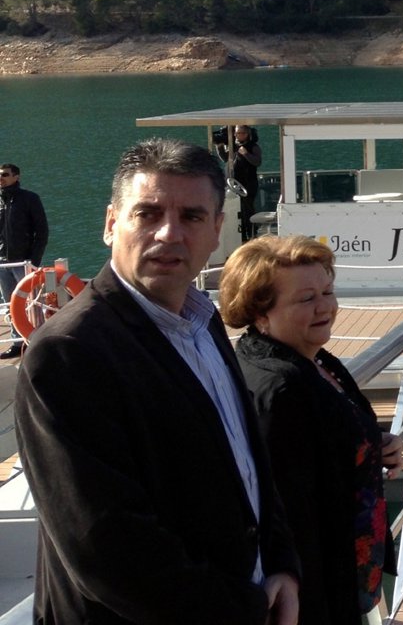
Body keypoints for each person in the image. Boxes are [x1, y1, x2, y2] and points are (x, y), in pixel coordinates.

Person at [14, 138, 300, 625]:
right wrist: (246, 610)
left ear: (216, 231)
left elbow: (246, 465)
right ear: (110, 224)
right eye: (147, 213)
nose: (169, 234)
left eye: (191, 217)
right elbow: (107, 547)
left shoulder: (205, 322)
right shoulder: (68, 354)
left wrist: (282, 566)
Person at [223, 235, 402, 625]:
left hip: (348, 568)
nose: (325, 307)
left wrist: (374, 445)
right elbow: (287, 515)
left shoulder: (315, 357)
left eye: (328, 291)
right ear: (260, 312)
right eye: (306, 299)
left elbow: (329, 439)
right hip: (320, 588)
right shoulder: (279, 390)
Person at [0, 162, 50, 356]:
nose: (1, 178)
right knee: (10, 302)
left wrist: (34, 260)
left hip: (24, 261)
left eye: (5, 174)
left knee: (32, 302)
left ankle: (37, 341)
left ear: (16, 177)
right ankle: (17, 343)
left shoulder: (29, 199)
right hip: (3, 262)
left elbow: (42, 231)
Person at [217, 124, 263, 242]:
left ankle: (251, 234)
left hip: (248, 183)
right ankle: (239, 235)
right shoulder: (234, 146)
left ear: (248, 134)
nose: (240, 135)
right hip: (232, 183)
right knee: (236, 210)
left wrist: (246, 153)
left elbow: (257, 162)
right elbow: (226, 158)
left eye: (242, 133)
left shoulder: (253, 147)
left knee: (247, 209)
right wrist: (220, 147)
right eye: (237, 133)